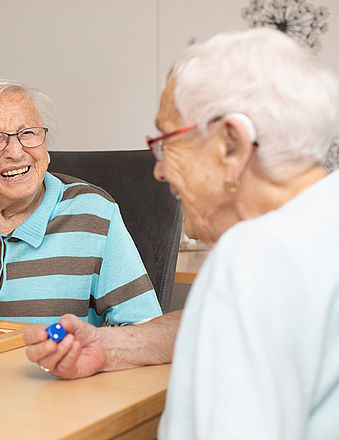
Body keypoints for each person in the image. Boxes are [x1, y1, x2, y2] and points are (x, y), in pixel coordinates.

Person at [24, 28, 339, 439]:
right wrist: (112, 346)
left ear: (230, 144)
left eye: (167, 142)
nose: (158, 168)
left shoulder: (254, 254)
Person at [0, 79, 162, 327]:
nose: (15, 151)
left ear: (45, 147)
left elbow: (143, 327)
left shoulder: (94, 213)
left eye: (28, 133)